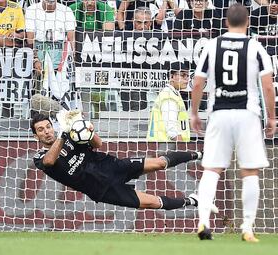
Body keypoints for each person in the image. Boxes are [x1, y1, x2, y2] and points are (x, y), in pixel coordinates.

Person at [191, 4, 276, 242]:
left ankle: (204, 221)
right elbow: (267, 86)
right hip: (247, 114)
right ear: (247, 22)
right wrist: (272, 117)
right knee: (249, 171)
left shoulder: (212, 45)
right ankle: (247, 227)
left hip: (219, 113)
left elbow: (198, 83)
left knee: (211, 169)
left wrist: (194, 113)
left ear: (226, 22)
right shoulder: (255, 46)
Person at [31, 112, 219, 211]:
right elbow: (49, 161)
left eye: (48, 127)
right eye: (41, 130)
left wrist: (85, 127)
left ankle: (201, 154)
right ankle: (193, 201)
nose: (46, 131)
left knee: (160, 163)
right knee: (151, 203)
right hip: (99, 188)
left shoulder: (72, 135)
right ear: (35, 135)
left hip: (109, 165)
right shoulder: (40, 156)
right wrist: (64, 134)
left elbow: (98, 143)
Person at [147, 62, 190, 142]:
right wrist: (183, 149)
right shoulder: (169, 97)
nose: (187, 79)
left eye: (188, 76)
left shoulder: (173, 94)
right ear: (171, 76)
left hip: (163, 146)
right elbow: (172, 131)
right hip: (166, 148)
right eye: (183, 75)